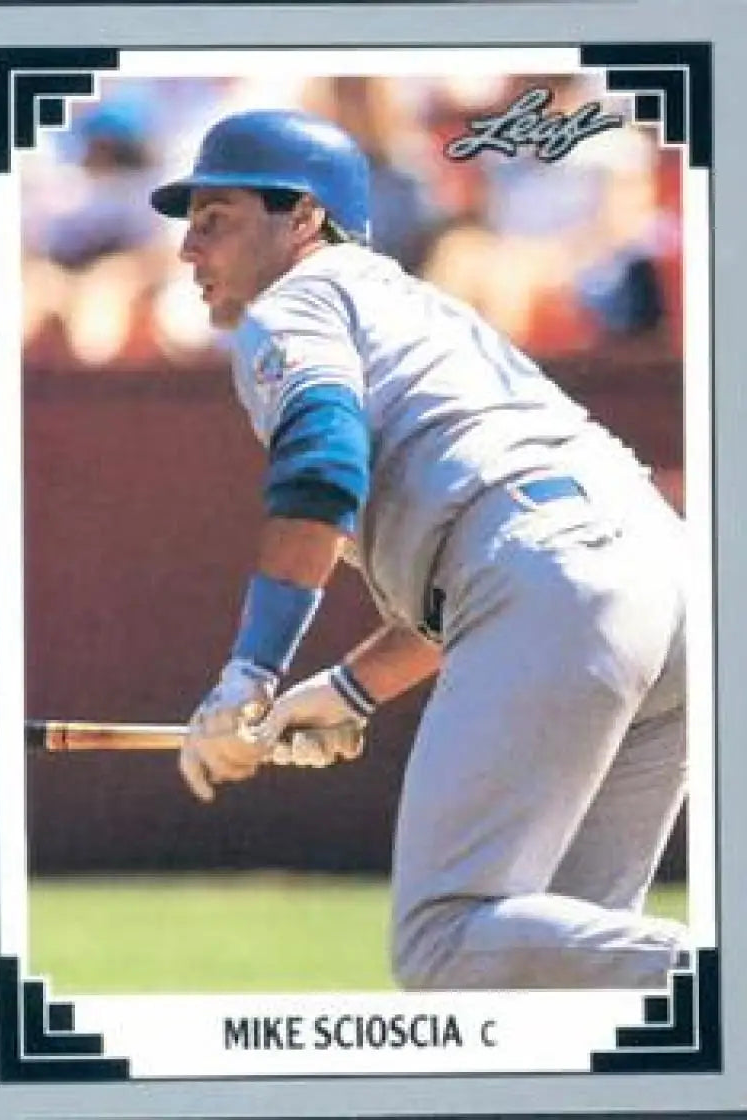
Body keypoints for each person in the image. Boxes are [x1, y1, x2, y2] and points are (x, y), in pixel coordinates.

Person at [150, 108, 688, 990]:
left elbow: (323, 466)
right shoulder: (413, 306)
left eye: (216, 218)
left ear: (304, 218)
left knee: (444, 941)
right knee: (552, 983)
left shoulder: (295, 300)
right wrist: (347, 689)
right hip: (661, 586)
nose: (188, 248)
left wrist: (251, 672)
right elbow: (506, 551)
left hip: (557, 579)